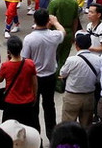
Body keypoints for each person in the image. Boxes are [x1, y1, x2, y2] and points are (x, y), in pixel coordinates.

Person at [21, 9, 65, 140]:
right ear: (48, 21)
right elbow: (63, 32)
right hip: (50, 76)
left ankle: (36, 136)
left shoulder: (29, 39)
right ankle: (52, 135)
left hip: (34, 77)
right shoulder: (54, 36)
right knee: (49, 105)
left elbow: (25, 59)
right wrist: (56, 22)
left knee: (33, 106)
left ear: (34, 20)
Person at [0, 36, 40, 130]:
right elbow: (35, 83)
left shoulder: (6, 65)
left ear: (8, 51)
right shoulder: (30, 63)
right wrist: (35, 96)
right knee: (28, 128)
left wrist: (6, 61)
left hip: (11, 102)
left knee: (9, 130)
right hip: (27, 101)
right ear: (21, 49)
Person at [59, 31, 101, 126]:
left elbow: (62, 73)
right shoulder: (98, 60)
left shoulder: (71, 60)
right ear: (90, 44)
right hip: (89, 96)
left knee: (68, 126)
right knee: (86, 126)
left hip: (72, 96)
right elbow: (99, 79)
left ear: (76, 45)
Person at [47, 0, 81, 72]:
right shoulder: (74, 3)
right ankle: (61, 76)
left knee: (53, 59)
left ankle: (55, 77)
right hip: (69, 33)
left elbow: (50, 20)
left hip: (55, 33)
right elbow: (75, 21)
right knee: (64, 59)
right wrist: (73, 34)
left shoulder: (54, 3)